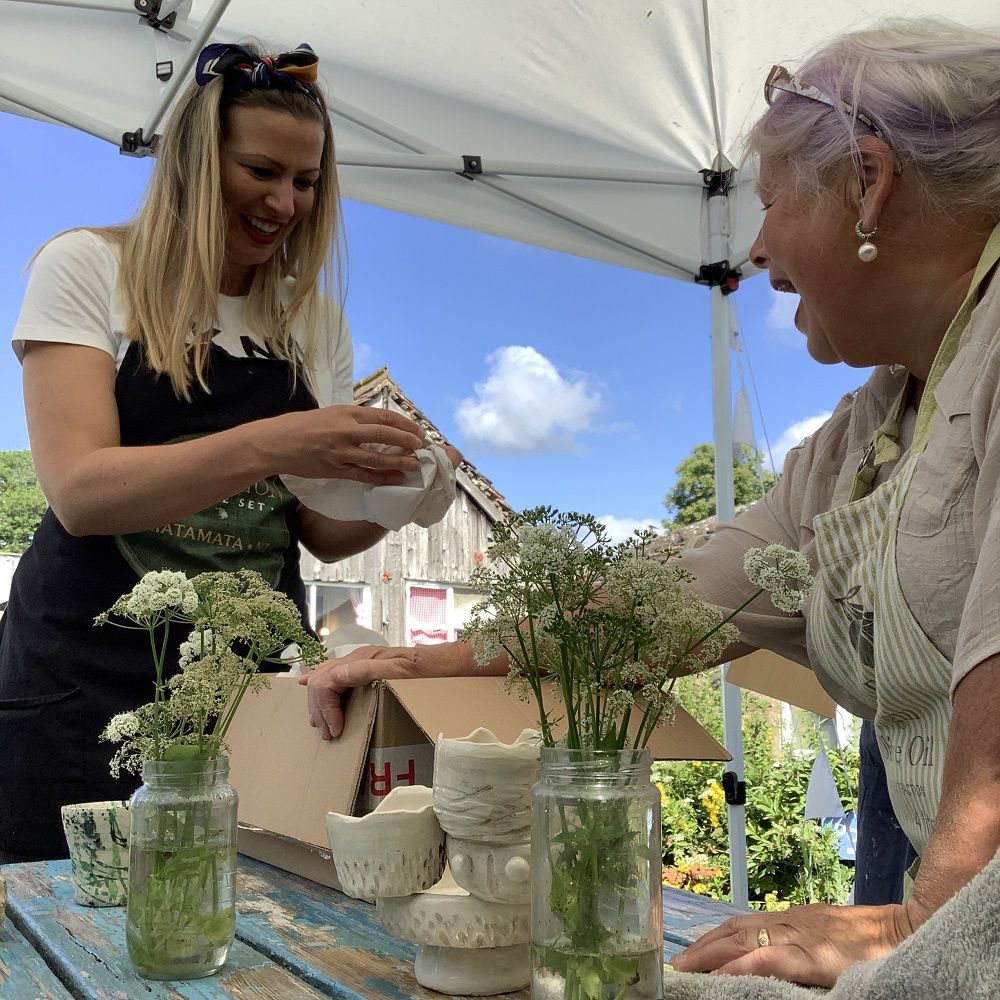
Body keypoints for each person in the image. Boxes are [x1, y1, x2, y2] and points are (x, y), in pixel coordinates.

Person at [297, 17, 1000, 989]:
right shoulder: (859, 438)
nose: (755, 250)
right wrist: (422, 659)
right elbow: (650, 599)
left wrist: (928, 918)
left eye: (773, 205)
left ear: (868, 183)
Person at [0, 41, 443, 865]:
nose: (286, 202)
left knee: (252, 930)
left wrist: (398, 498)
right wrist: (279, 438)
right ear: (196, 163)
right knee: (68, 929)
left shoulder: (316, 325)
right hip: (81, 678)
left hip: (257, 687)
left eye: (307, 182)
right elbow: (81, 492)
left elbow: (317, 527)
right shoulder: (90, 268)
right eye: (262, 170)